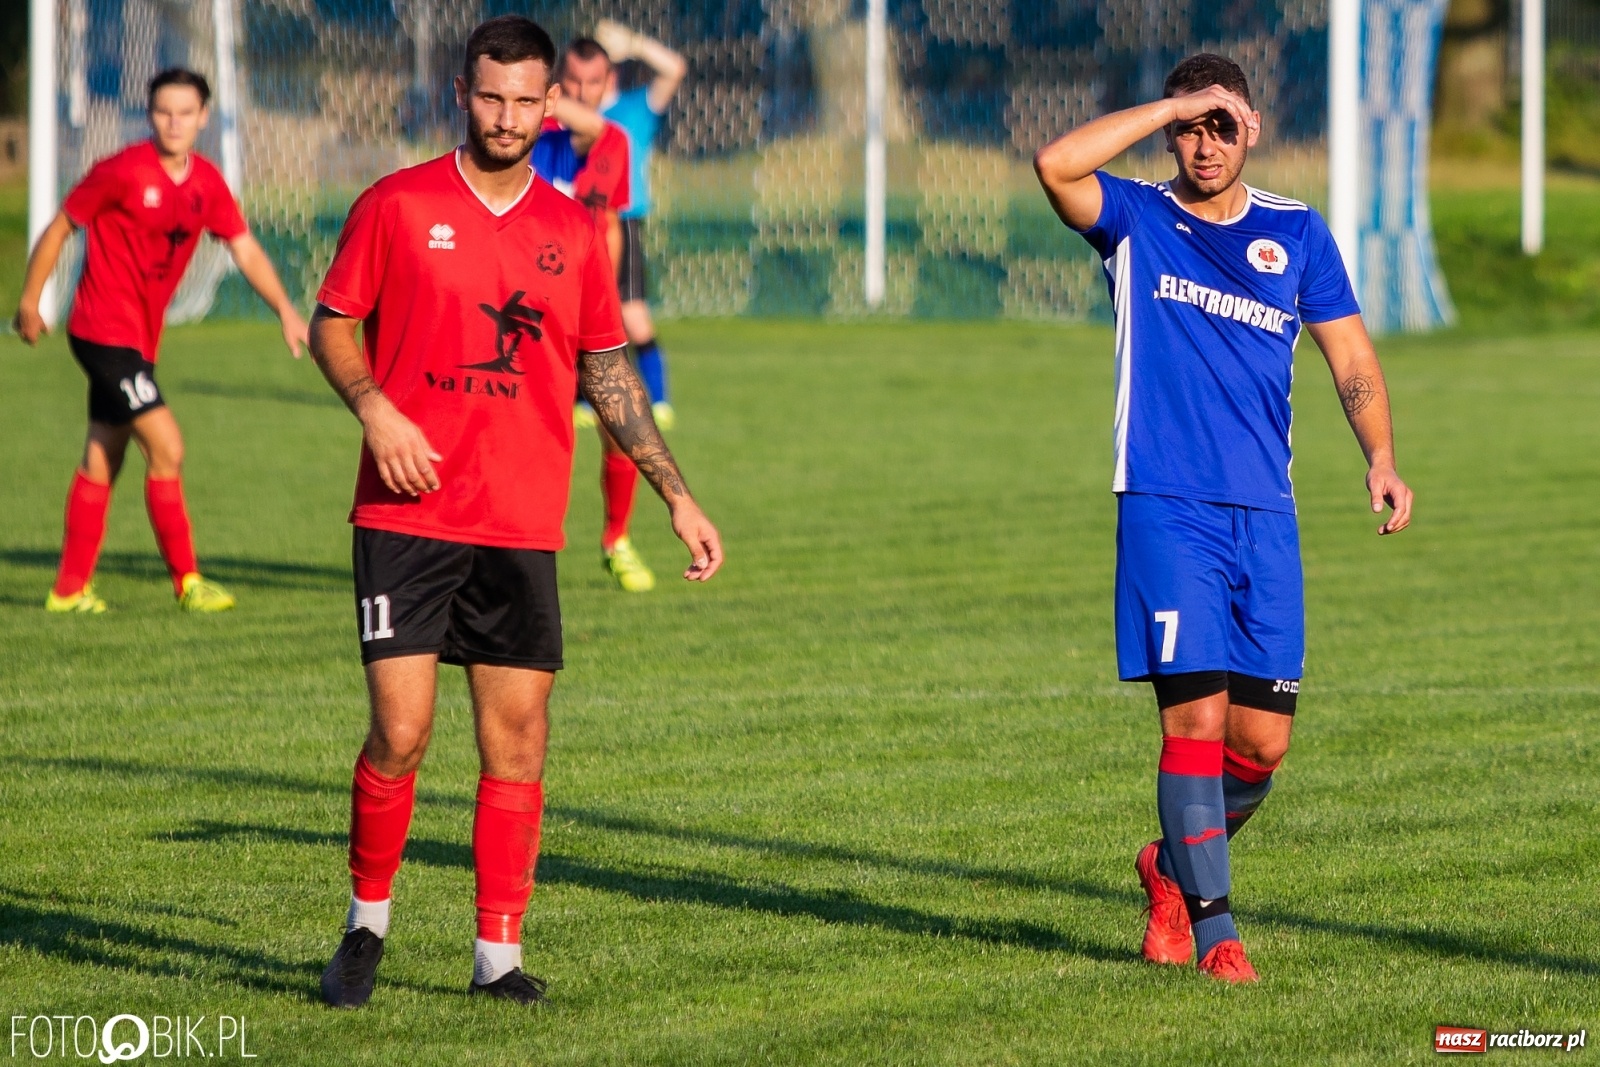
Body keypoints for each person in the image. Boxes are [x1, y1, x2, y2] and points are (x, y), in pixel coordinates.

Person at [307, 15, 722, 1009]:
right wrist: (376, 409)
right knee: (401, 731)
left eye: (525, 101)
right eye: (490, 97)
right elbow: (333, 325)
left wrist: (675, 492)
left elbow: (608, 368)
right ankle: (365, 924)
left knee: (519, 740)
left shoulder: (573, 230)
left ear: (551, 104)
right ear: (463, 94)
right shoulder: (397, 204)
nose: (506, 116)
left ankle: (497, 955)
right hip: (406, 513)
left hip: (519, 518)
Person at [1033, 53, 1413, 983]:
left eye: (1223, 125)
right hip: (1167, 509)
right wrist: (1174, 100)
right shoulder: (1134, 219)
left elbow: (1351, 357)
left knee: (1261, 745)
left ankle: (1170, 864)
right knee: (1195, 722)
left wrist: (1380, 455)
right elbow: (1055, 164)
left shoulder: (1298, 232)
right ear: (1171, 133)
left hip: (1266, 514)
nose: (1206, 144)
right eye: (1191, 128)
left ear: (1254, 130)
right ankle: (1216, 936)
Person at [13, 68, 308, 614]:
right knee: (167, 446)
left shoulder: (207, 184)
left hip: (139, 342)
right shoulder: (120, 171)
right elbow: (59, 228)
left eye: (185, 113)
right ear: (150, 115)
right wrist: (31, 300)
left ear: (203, 117)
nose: (173, 122)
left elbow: (243, 247)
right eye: (163, 112)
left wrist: (286, 311)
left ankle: (68, 591)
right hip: (102, 331)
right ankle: (188, 583)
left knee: (104, 454)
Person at [534, 42, 657, 593]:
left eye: (593, 82)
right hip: (530, 319)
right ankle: (512, 548)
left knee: (621, 425)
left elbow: (606, 229)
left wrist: (607, 304)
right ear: (560, 82)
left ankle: (617, 539)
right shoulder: (528, 138)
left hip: (587, 317)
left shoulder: (612, 143)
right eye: (573, 82)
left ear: (608, 85)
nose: (583, 92)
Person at [589, 19, 688, 430]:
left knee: (633, 315)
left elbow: (674, 68)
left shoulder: (635, 109)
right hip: (580, 222)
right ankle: (584, 400)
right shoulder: (573, 115)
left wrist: (633, 44)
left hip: (623, 221)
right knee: (584, 315)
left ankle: (659, 399)